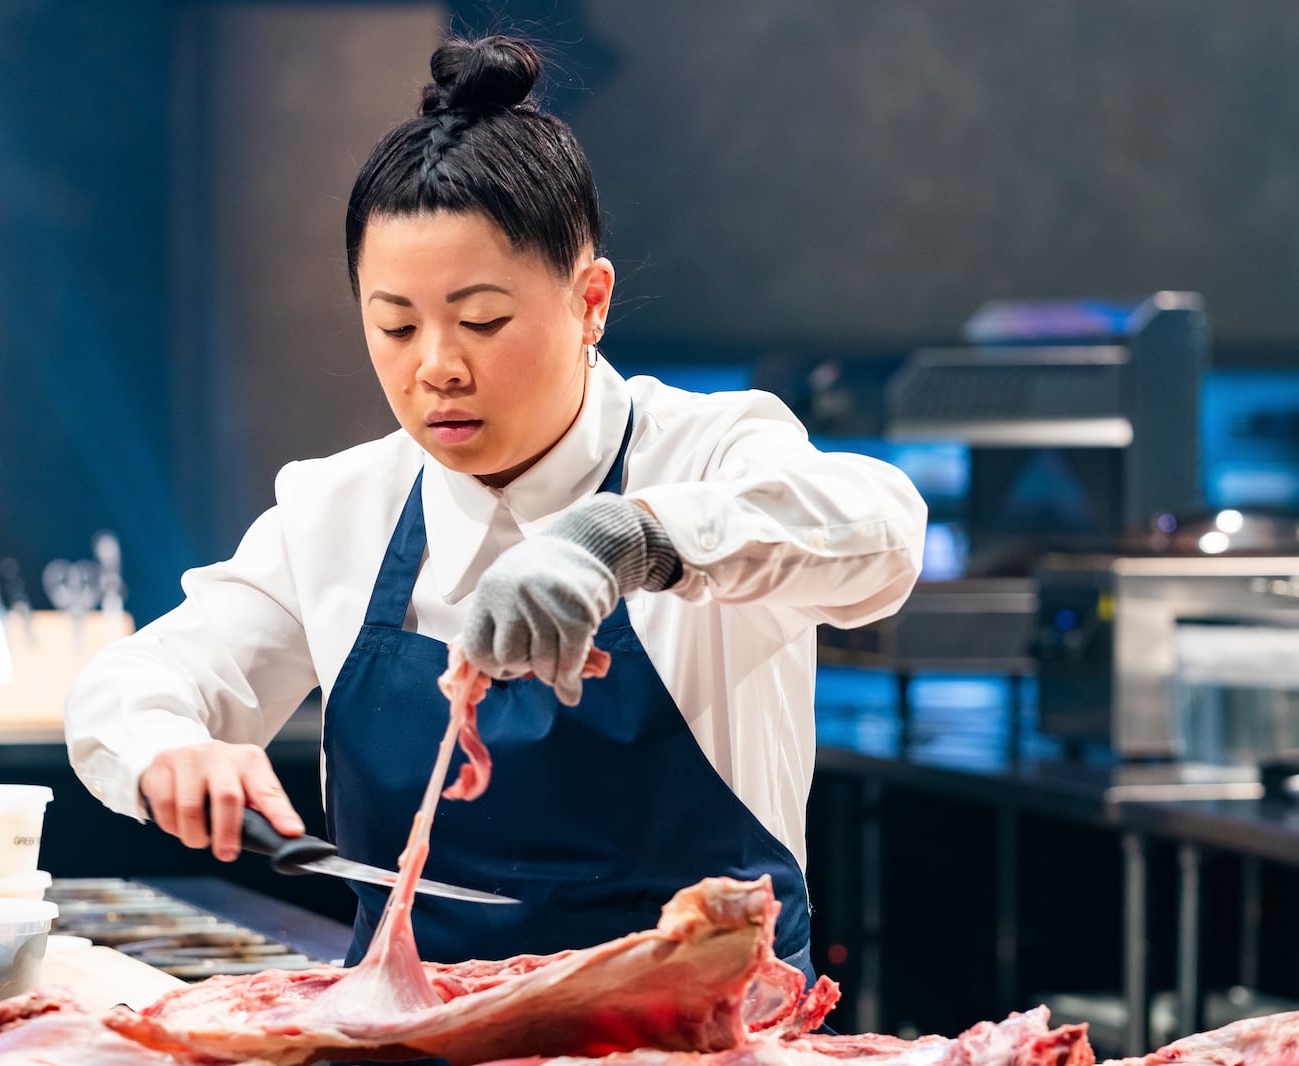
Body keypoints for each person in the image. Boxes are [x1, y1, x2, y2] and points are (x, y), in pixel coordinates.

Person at [65, 34, 927, 980]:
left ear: (590, 299)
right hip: (416, 1038)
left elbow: (882, 529)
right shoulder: (341, 509)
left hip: (697, 1038)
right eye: (394, 324)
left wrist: (629, 538)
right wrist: (170, 751)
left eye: (481, 320)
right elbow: (136, 684)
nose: (436, 364)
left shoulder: (706, 448)